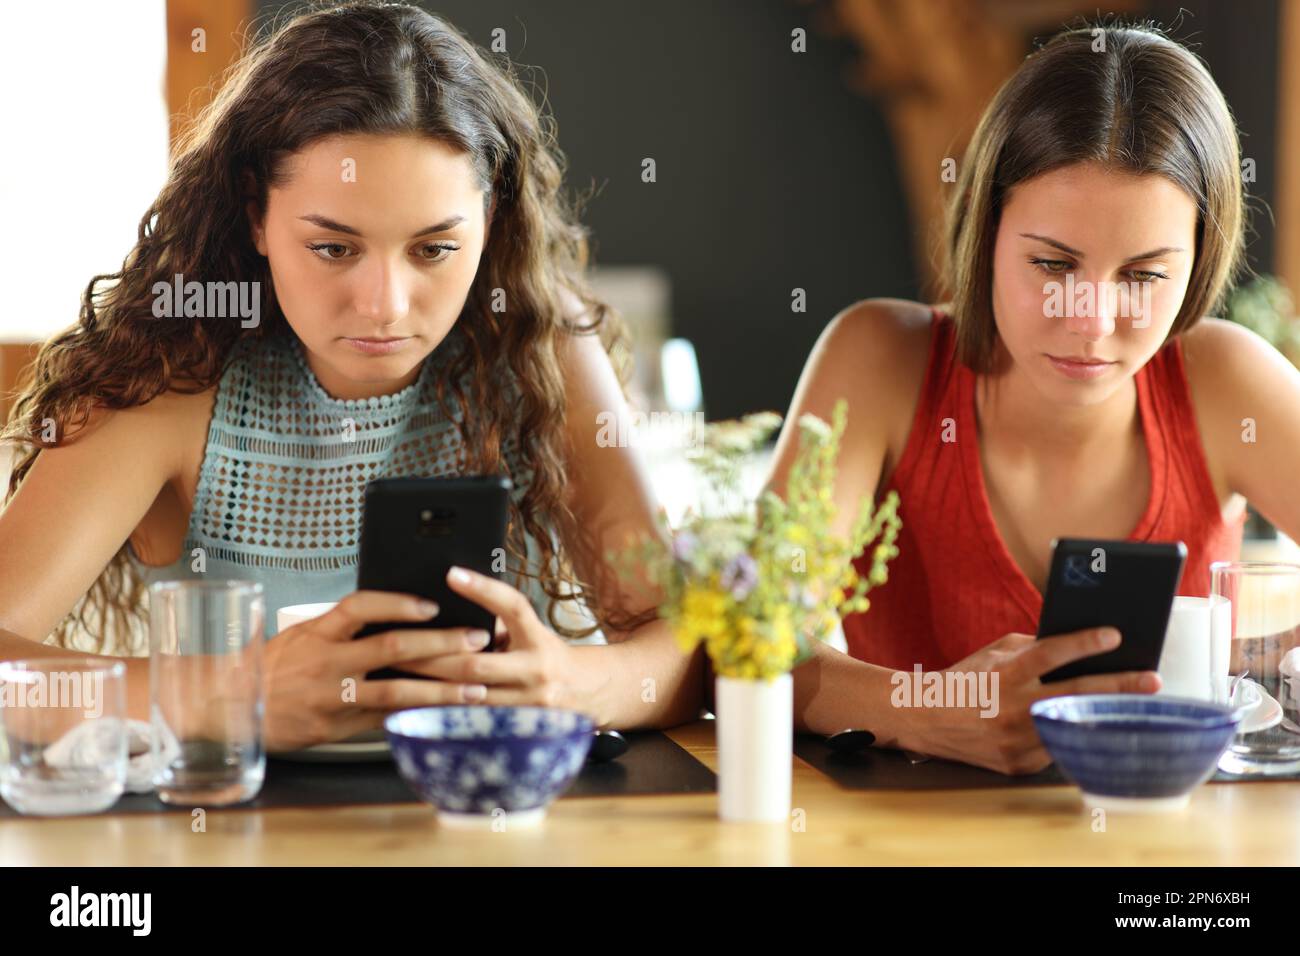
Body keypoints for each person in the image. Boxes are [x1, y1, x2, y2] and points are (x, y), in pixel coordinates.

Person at [0, 2, 703, 751]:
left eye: (433, 250)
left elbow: (687, 647)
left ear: (491, 218)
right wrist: (235, 696)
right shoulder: (172, 383)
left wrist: (570, 683)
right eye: (335, 249)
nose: (384, 307)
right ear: (255, 215)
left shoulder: (534, 343)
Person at [770, 23, 1300, 774]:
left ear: (1200, 262)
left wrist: (1270, 663)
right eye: (1053, 264)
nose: (1091, 322)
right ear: (987, 232)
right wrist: (925, 711)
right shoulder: (880, 362)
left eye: (1144, 277)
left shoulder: (1222, 379)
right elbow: (746, 642)